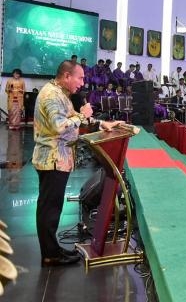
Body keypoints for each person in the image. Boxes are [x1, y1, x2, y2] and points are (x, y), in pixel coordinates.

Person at [33, 61, 122, 267]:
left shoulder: (60, 93)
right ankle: (50, 255)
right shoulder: (52, 95)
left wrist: (101, 123)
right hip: (52, 160)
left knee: (51, 207)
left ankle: (52, 250)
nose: (82, 83)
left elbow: (74, 118)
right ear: (66, 76)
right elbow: (59, 127)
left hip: (57, 159)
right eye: (80, 78)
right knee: (49, 209)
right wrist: (83, 115)